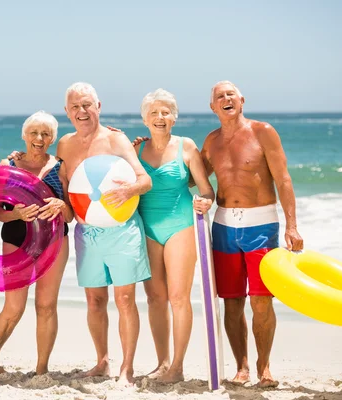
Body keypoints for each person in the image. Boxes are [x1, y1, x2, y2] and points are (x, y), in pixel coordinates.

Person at [201, 81, 304, 387]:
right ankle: (242, 367)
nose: (226, 99)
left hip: (261, 225)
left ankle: (264, 367)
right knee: (231, 301)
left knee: (261, 301)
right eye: (219, 96)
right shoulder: (211, 141)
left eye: (231, 94)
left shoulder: (263, 132)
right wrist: (145, 152)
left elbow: (283, 179)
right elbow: (191, 178)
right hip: (223, 227)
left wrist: (292, 225)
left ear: (242, 100)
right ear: (213, 107)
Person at [56, 82, 152, 384]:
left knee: (124, 299)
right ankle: (102, 362)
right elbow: (65, 190)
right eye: (75, 107)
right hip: (87, 233)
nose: (81, 111)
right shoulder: (65, 145)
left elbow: (145, 180)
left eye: (87, 105)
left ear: (98, 106)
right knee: (94, 301)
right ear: (67, 112)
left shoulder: (116, 140)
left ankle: (127, 367)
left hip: (122, 230)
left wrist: (130, 190)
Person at [0, 111, 73, 375]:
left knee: (46, 306)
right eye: (34, 132)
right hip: (15, 239)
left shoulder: (60, 166)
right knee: (14, 307)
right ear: (24, 136)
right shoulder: (8, 165)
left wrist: (61, 204)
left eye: (46, 134)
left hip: (55, 240)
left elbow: (71, 214)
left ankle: (41, 369)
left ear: (52, 138)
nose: (39, 138)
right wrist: (18, 214)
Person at [135, 89, 214, 383]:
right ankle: (162, 362)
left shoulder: (187, 147)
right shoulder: (136, 151)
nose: (160, 117)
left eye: (166, 112)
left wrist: (205, 201)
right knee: (155, 297)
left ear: (174, 117)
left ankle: (178, 366)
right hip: (147, 228)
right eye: (154, 112)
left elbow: (206, 189)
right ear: (145, 119)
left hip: (180, 224)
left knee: (179, 297)